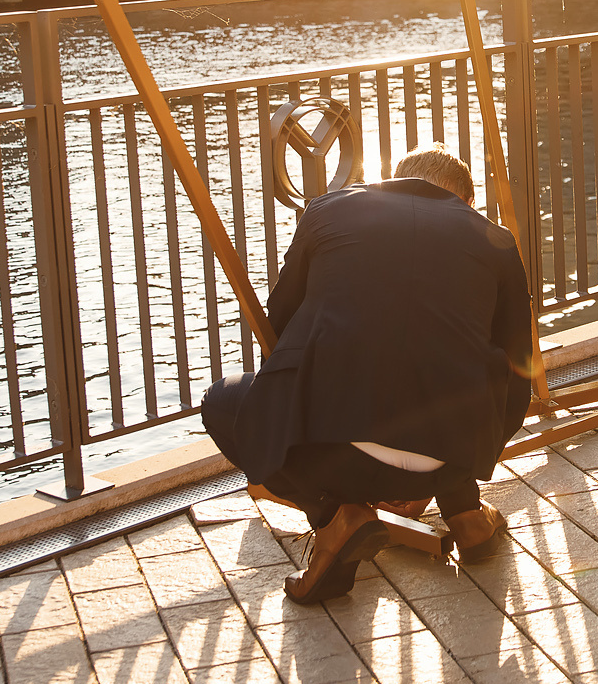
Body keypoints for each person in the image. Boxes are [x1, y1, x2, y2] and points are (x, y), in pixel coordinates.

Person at [201, 146, 532, 603]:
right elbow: (518, 376)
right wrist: (465, 461)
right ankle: (468, 517)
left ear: (394, 179)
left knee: (220, 402)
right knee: (443, 378)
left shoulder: (328, 210)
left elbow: (279, 323)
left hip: (338, 454)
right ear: (467, 202)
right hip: (450, 460)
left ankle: (338, 517)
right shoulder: (496, 240)